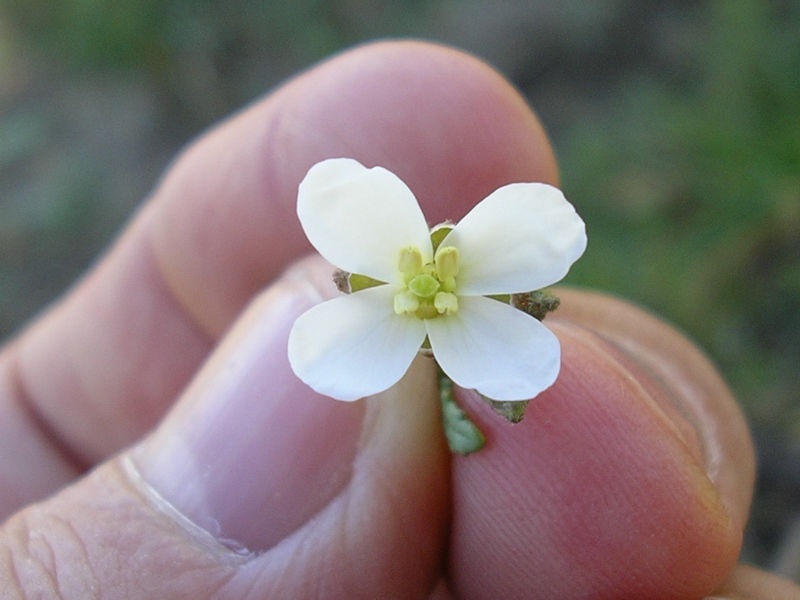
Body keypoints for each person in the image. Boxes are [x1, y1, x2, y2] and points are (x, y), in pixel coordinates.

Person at [0, 40, 797, 599]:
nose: (427, 283)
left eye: (431, 275)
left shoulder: (473, 316)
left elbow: (522, 361)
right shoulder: (371, 282)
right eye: (420, 279)